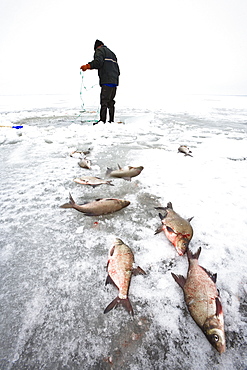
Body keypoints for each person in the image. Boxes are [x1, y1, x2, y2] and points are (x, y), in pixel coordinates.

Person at [80, 40, 120, 125]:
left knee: (104, 101)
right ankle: (111, 121)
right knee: (111, 101)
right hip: (114, 80)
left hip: (107, 80)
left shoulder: (100, 50)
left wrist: (87, 66)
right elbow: (118, 69)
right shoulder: (112, 53)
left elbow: (98, 62)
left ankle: (102, 121)